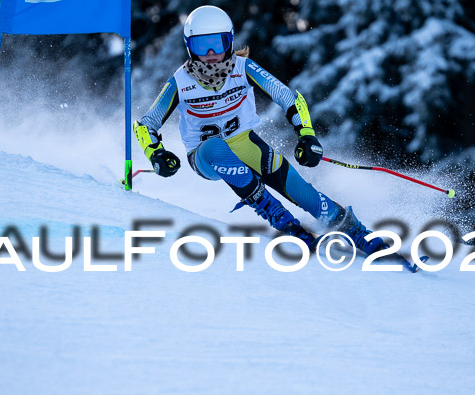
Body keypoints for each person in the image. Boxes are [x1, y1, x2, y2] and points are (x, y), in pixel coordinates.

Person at [134, 5, 384, 254]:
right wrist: (156, 153)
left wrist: (306, 135)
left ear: (229, 42)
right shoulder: (180, 81)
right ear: (189, 46)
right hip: (204, 156)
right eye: (201, 46)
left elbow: (290, 98)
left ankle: (357, 233)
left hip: (246, 144)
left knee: (300, 189)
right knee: (214, 146)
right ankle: (279, 217)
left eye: (218, 44)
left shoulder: (244, 68)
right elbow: (146, 124)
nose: (211, 53)